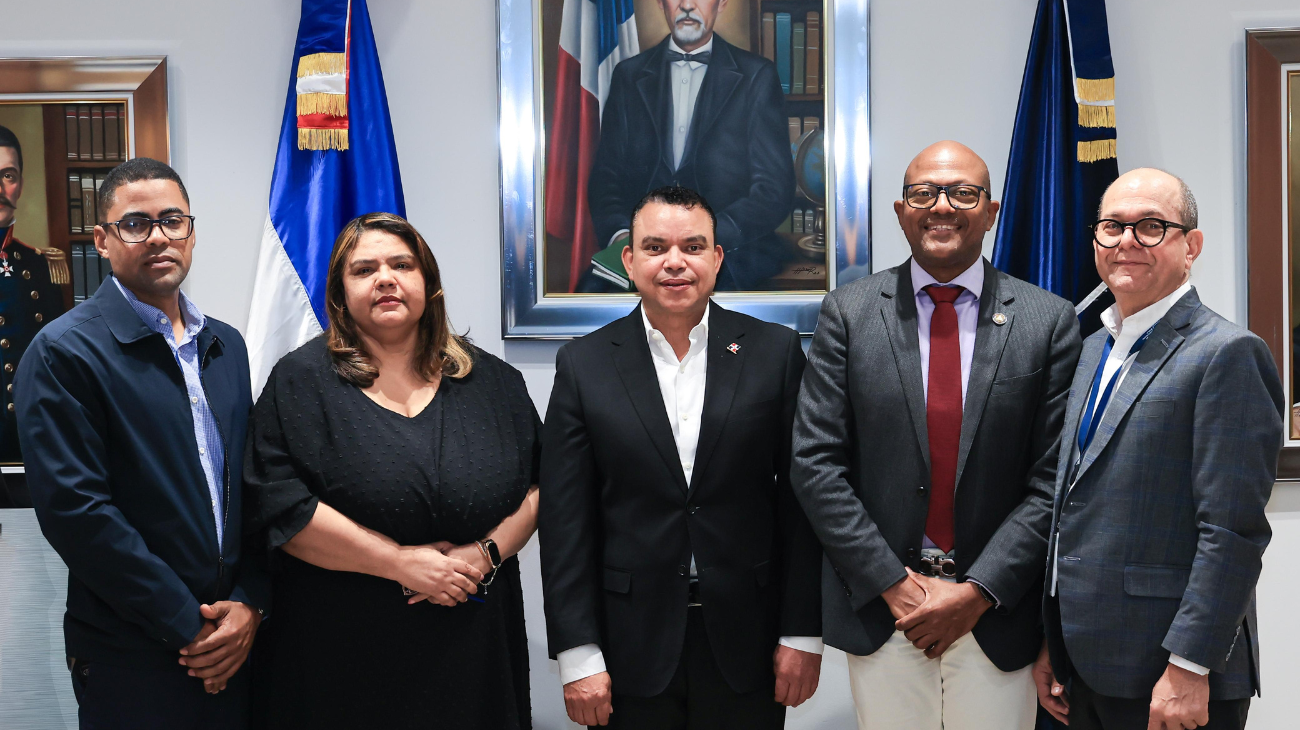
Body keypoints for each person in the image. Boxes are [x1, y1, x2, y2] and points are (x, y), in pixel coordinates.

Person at [791, 141, 1082, 730]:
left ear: (992, 208)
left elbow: (1053, 478)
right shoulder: (846, 313)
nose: (942, 206)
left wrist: (978, 591)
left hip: (996, 615)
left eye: (962, 193)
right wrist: (894, 585)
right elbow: (816, 463)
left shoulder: (1047, 320)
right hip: (886, 611)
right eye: (924, 193)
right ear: (901, 210)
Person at [243, 212, 540, 729]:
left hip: (473, 646)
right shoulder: (300, 383)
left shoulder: (495, 382)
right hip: (340, 657)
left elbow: (544, 486)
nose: (385, 278)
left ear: (428, 282)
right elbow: (280, 509)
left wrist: (484, 554)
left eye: (401, 264)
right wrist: (399, 563)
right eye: (364, 270)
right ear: (340, 293)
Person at [540, 186, 823, 729]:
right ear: (629, 259)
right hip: (627, 645)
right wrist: (577, 652)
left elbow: (801, 503)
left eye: (693, 247)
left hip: (749, 640)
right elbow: (565, 522)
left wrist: (802, 630)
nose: (675, 263)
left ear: (716, 258)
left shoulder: (774, 353)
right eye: (655, 247)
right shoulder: (584, 364)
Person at [15, 157, 268, 728]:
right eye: (135, 224)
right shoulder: (63, 353)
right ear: (102, 240)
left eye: (172, 220)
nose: (158, 236)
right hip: (134, 655)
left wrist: (252, 601)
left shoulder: (225, 346)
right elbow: (79, 515)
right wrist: (190, 626)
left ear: (192, 232)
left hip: (236, 641)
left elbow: (252, 489)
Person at [1034, 169, 1284, 730]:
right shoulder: (1092, 346)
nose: (1126, 241)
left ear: (1191, 245)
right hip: (1086, 666)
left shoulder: (1227, 353)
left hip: (1171, 676)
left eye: (1151, 227)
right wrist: (1056, 637)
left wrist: (1189, 665)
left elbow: (1233, 530)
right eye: (1112, 226)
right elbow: (1073, 502)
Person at [583, 0, 796, 291]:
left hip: (728, 250)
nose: (686, 5)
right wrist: (623, 237)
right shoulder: (628, 76)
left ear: (721, 4)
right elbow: (606, 178)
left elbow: (773, 190)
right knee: (588, 299)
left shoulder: (757, 77)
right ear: (661, 3)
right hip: (645, 252)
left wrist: (705, 239)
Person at [0, 123, 70, 466]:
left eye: (8, 176)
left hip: (27, 440)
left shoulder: (42, 266)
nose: (0, 188)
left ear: (20, 185)